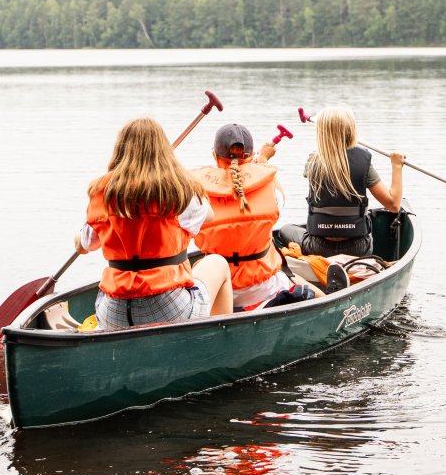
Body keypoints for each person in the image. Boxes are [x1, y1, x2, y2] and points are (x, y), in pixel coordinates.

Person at [73, 117, 234, 329]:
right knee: (217, 262)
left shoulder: (102, 192)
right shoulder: (179, 191)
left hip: (114, 312)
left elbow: (82, 246)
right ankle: (216, 342)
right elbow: (210, 216)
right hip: (167, 309)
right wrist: (182, 178)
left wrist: (82, 234)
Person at [192, 124, 322, 310]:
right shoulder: (272, 189)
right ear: (251, 156)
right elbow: (274, 196)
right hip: (264, 287)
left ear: (214, 156)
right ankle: (333, 302)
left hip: (219, 289)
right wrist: (263, 161)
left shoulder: (196, 195)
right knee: (289, 275)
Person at [276, 105, 405, 263]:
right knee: (371, 219)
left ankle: (321, 266)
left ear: (321, 134)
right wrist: (396, 166)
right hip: (358, 250)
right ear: (351, 132)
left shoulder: (312, 162)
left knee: (284, 230)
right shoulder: (363, 164)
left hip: (318, 248)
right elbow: (393, 205)